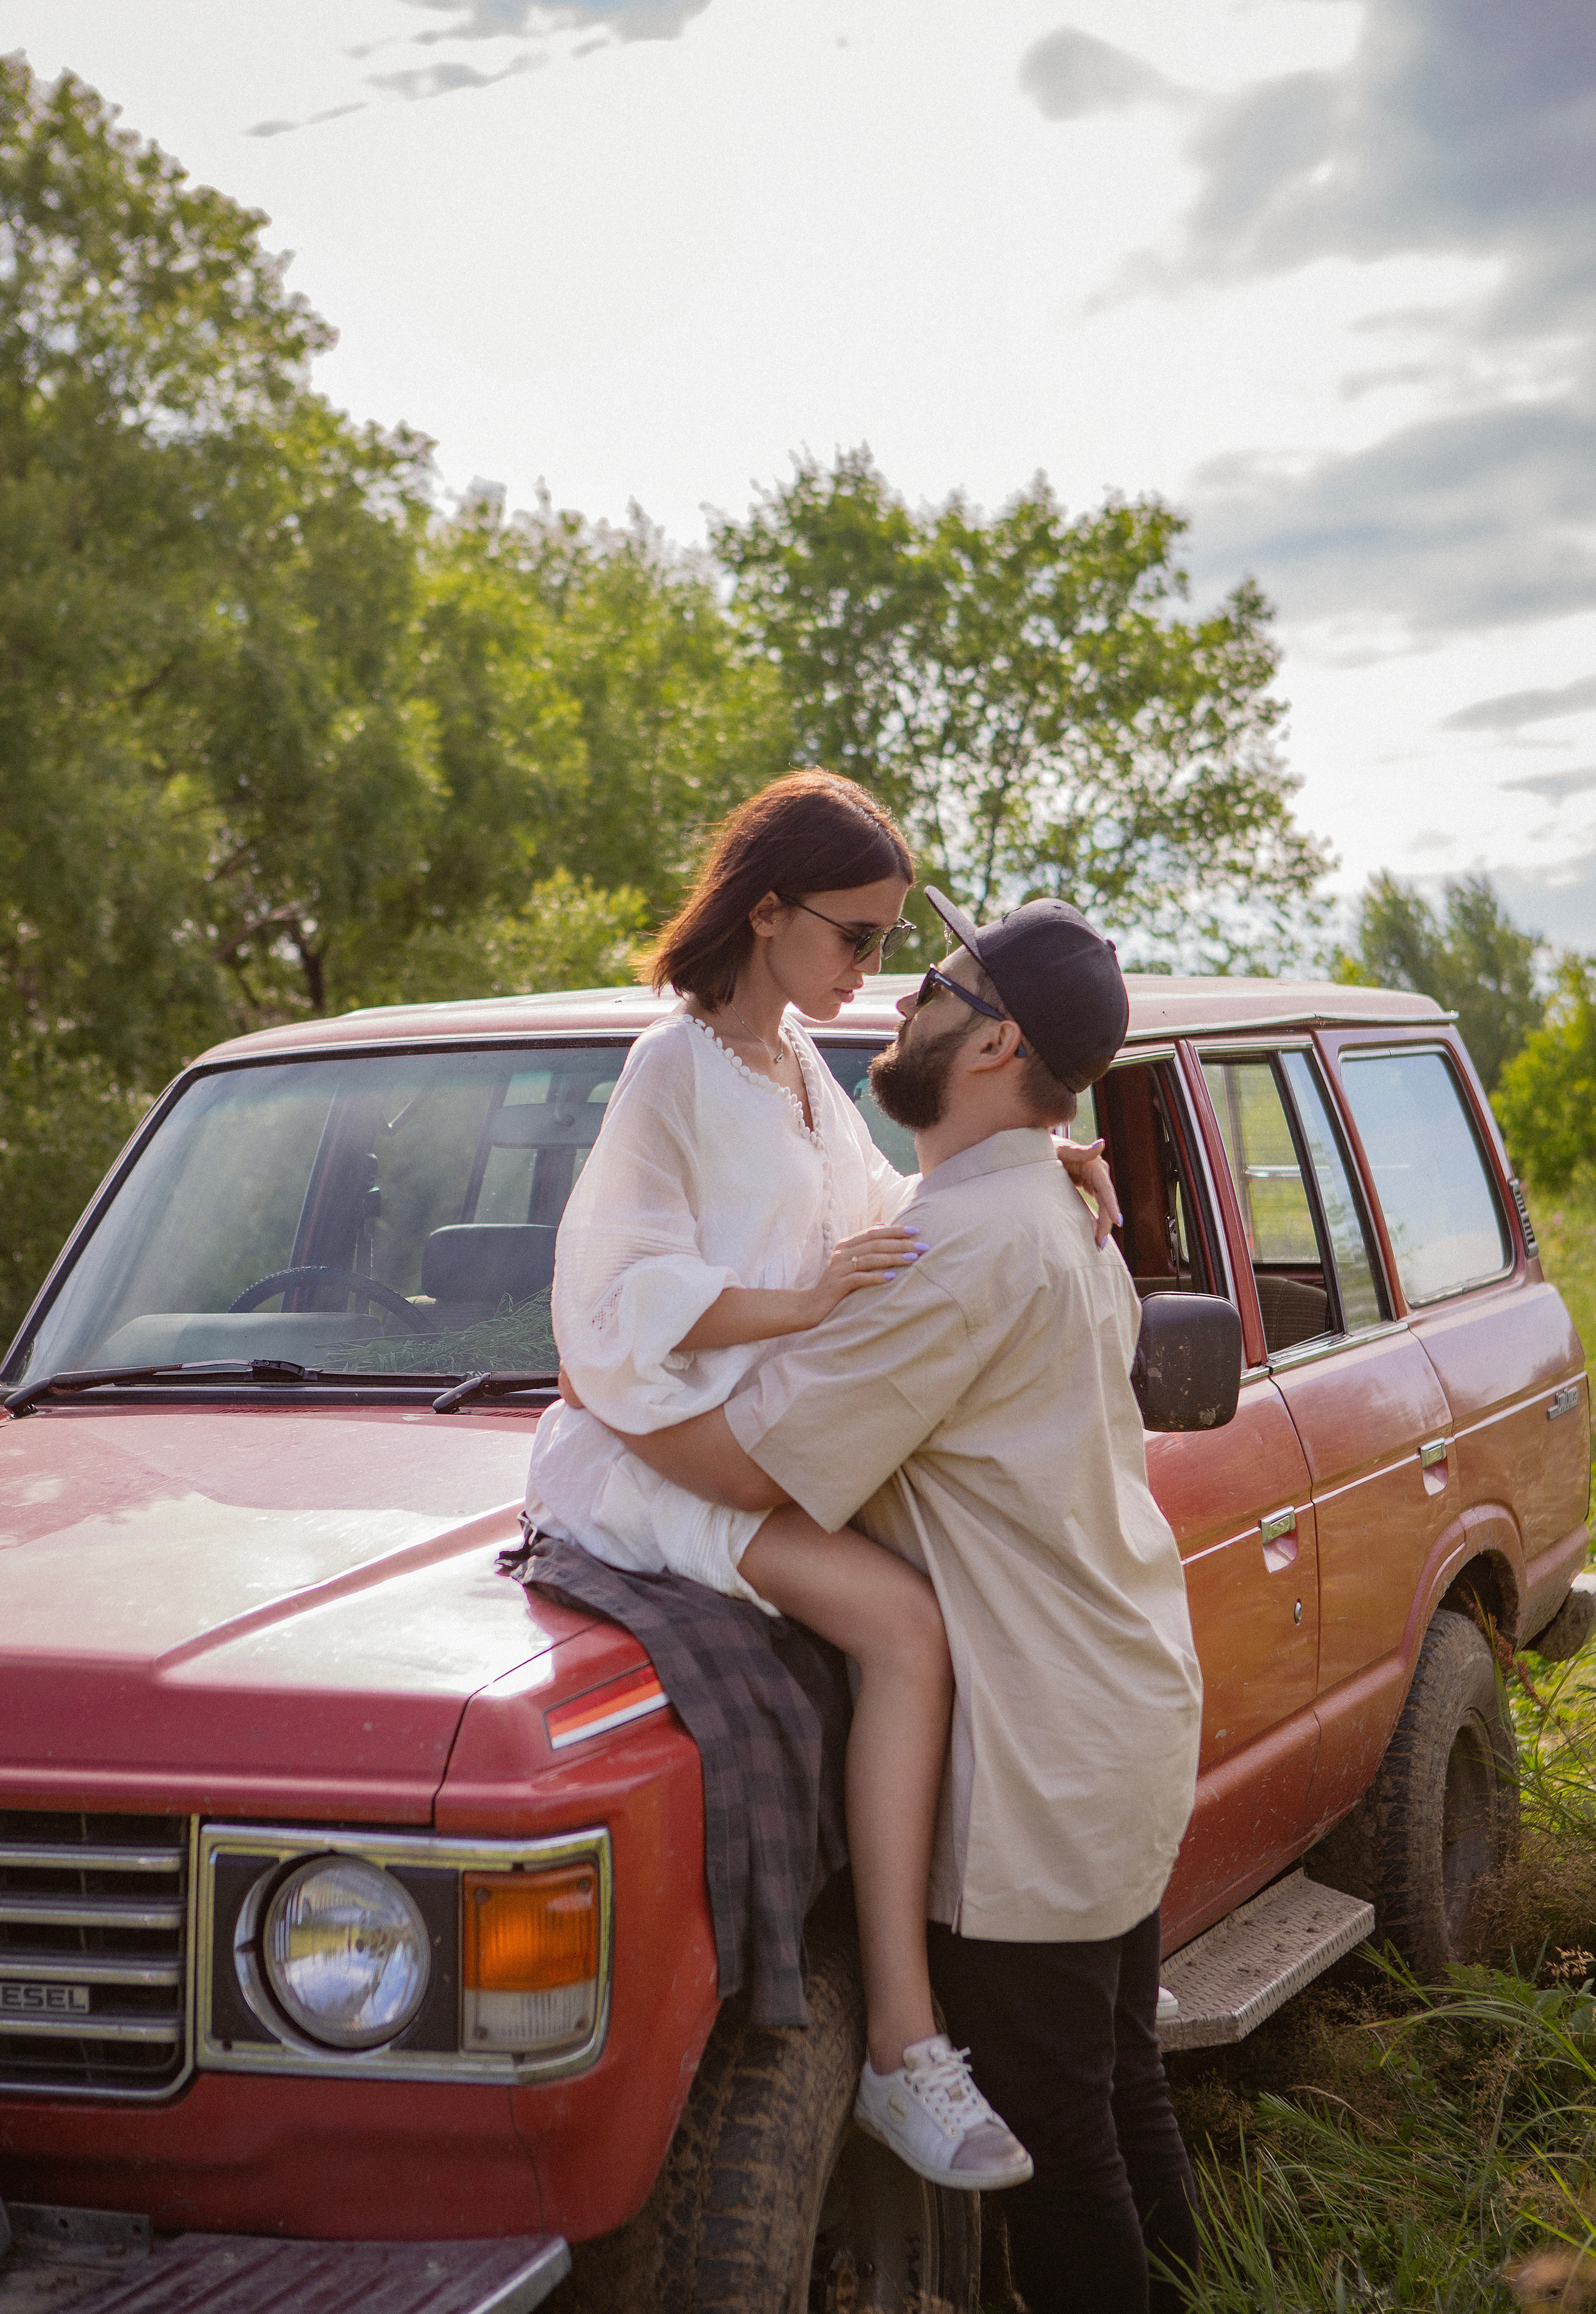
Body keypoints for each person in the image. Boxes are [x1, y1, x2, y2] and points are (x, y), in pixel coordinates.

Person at [594, 889, 1205, 2314]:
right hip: (1114, 1701)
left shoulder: (961, 1250)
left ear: (993, 1047)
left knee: (1063, 2143)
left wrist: (594, 1382)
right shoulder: (1034, 1210)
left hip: (1037, 1750)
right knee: (1114, 2083)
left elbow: (747, 1470)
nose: (900, 998)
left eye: (934, 984)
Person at [530, 770, 1111, 2195]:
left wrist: (1043, 1154)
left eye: (889, 943)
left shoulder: (796, 1066)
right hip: (657, 1451)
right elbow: (609, 1285)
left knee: (949, 1599)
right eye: (857, 936)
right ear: (768, 912)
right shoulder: (674, 1065)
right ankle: (902, 2045)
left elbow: (881, 1222)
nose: (874, 970)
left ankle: (1040, 1966)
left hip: (767, 1437)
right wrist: (794, 1306)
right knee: (904, 1625)